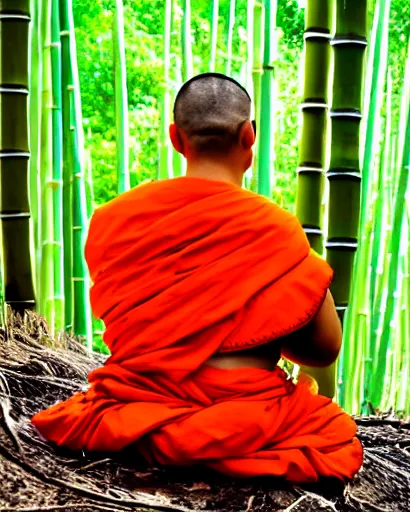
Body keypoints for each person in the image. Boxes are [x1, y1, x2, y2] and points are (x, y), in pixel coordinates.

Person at [32, 73, 363, 483]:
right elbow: (324, 348)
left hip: (140, 410)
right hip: (248, 420)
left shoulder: (117, 221)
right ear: (249, 136)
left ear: (175, 137)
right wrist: (277, 298)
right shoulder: (277, 232)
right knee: (333, 433)